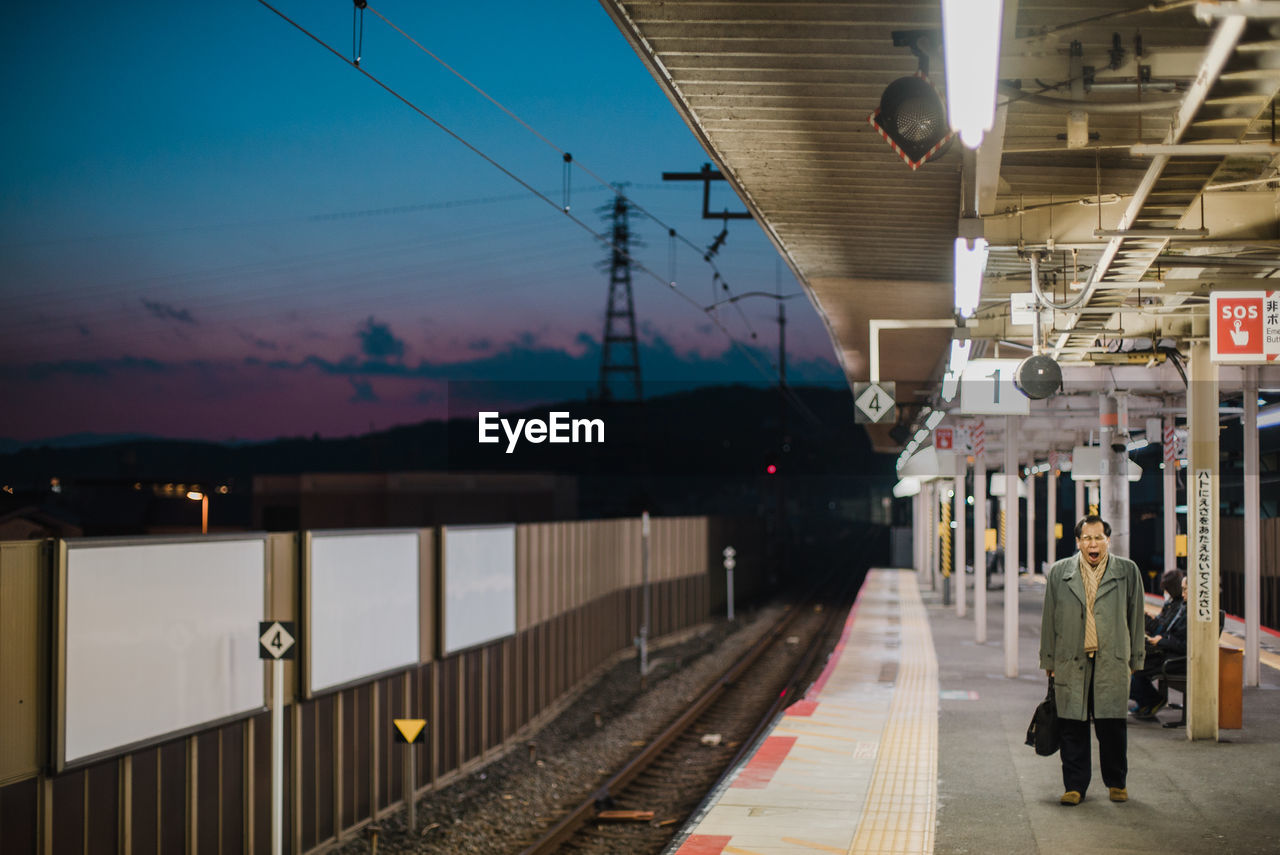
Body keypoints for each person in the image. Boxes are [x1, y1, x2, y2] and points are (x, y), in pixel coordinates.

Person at [1039, 514, 1145, 806]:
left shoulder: (1127, 571)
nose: (1093, 544)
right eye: (1087, 538)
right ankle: (1074, 786)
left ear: (1108, 540)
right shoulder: (1061, 573)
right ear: (1078, 542)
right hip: (1071, 659)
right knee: (1072, 724)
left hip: (1112, 658)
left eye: (1098, 538)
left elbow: (1136, 618)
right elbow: (1049, 619)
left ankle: (1116, 783)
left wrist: (1137, 658)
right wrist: (1048, 659)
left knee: (1112, 724)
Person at [1130, 573, 1188, 718]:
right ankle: (1147, 701)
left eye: (1186, 589)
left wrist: (1160, 640)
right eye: (1182, 589)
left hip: (1174, 658)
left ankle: (1153, 700)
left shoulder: (1185, 611)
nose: (1183, 593)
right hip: (1168, 652)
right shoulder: (1180, 607)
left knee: (1134, 666)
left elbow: (1182, 643)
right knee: (1134, 661)